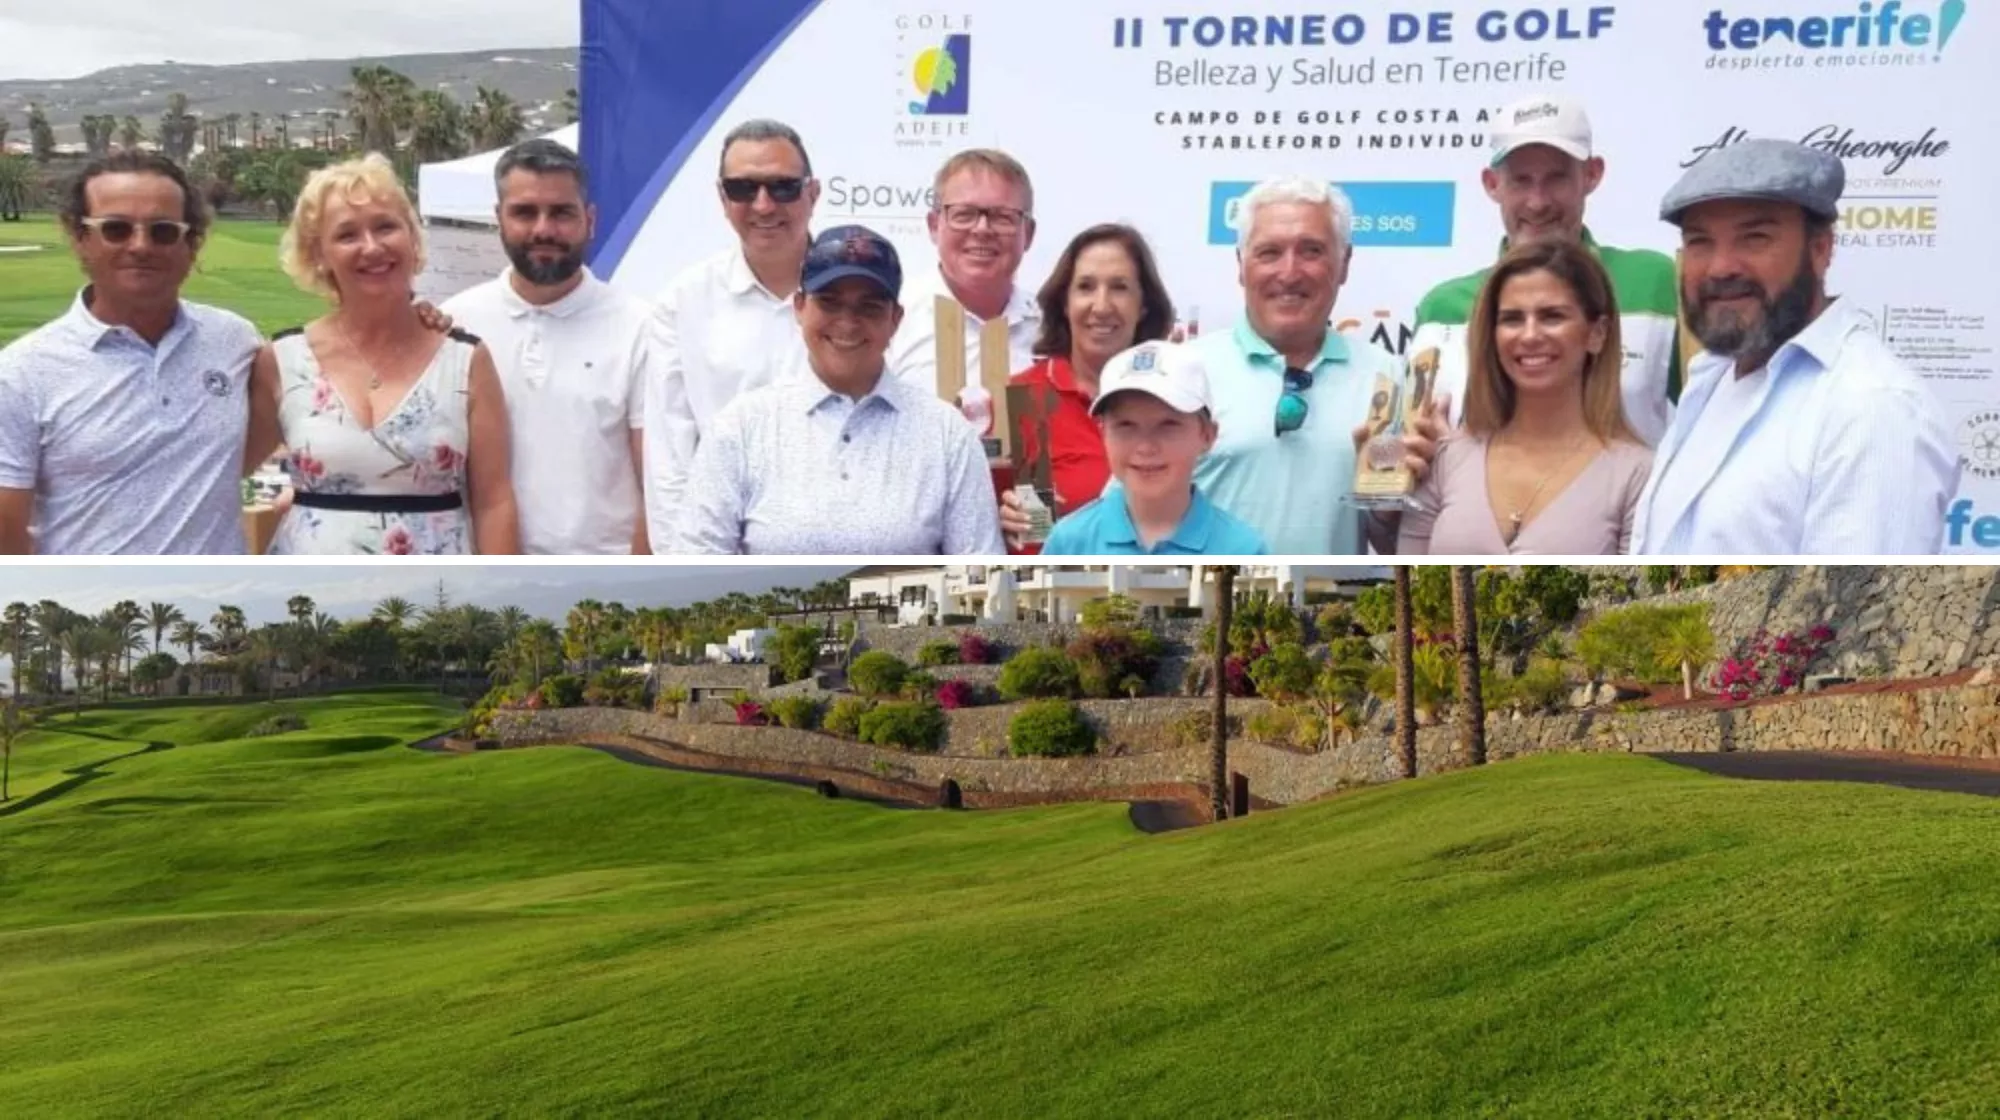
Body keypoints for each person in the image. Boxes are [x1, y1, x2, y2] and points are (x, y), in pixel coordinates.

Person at [1633, 138, 1957, 554]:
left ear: (1820, 249)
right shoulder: (1712, 377)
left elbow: (1852, 612)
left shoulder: (1871, 406)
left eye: (1755, 238)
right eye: (1700, 241)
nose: (1721, 267)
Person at [671, 225, 1006, 555]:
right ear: (799, 307)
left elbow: (981, 578)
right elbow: (695, 560)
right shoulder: (741, 427)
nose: (847, 322)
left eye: (869, 307)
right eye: (829, 303)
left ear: (896, 320)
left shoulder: (947, 434)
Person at [248, 154, 519, 555]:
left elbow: (494, 502)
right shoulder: (281, 361)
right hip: (306, 600)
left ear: (412, 238)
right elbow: (219, 470)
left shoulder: (465, 361)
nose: (372, 247)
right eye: (347, 235)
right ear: (319, 254)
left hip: (438, 599)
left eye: (386, 227)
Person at [0, 151, 263, 554]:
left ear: (191, 243)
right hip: (90, 607)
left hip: (213, 604)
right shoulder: (21, 373)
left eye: (162, 231)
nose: (140, 246)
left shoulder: (235, 340)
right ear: (80, 239)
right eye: (116, 229)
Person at [1167, 176, 1444, 555]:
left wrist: (1385, 503)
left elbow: (1392, 543)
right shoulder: (1184, 371)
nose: (1289, 272)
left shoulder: (1390, 377)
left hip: (1331, 606)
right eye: (1269, 252)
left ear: (1344, 263)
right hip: (1213, 605)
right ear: (1240, 265)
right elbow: (1131, 516)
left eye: (1311, 251)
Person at [1409, 95, 1682, 446]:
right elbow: (1414, 441)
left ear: (1592, 175)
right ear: (1492, 184)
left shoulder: (1655, 282)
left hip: (1631, 500)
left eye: (1556, 179)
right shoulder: (1440, 307)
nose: (1538, 202)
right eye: (1521, 181)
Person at [441, 138, 651, 555]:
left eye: (561, 213)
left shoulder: (640, 325)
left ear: (589, 220)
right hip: (480, 573)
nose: (543, 229)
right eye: (524, 212)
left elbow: (656, 486)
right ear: (498, 219)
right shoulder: (454, 322)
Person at [1394, 239, 1653, 555]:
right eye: (1512, 319)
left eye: (1552, 316)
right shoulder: (1447, 460)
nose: (1530, 335)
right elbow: (1405, 585)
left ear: (1597, 333)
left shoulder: (1638, 477)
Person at [644, 119, 820, 549]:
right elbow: (670, 457)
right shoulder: (682, 304)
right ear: (722, 198)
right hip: (725, 543)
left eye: (782, 187)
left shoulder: (865, 295)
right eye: (743, 189)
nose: (763, 205)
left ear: (812, 193)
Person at [1008, 223, 1176, 516]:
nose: (1101, 306)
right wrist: (1003, 516)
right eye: (1086, 287)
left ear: (1144, 306)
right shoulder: (1018, 398)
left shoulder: (1176, 399)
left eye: (1119, 287)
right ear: (1064, 302)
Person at [1041, 341, 1266, 555]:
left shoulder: (1242, 548)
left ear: (1207, 435)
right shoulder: (1068, 541)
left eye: (1168, 425)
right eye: (1126, 425)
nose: (1146, 447)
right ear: (1104, 434)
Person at [886, 149, 1042, 399]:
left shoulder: (1051, 329)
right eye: (964, 215)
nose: (981, 229)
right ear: (934, 225)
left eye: (1002, 217)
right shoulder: (890, 320)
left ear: (1029, 233)